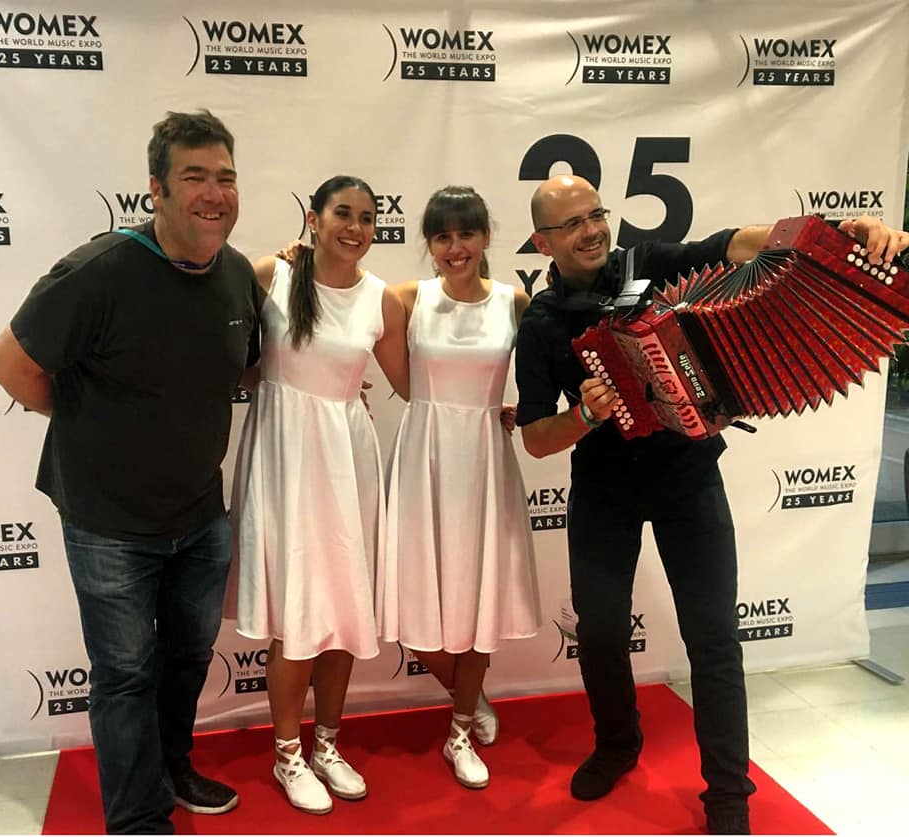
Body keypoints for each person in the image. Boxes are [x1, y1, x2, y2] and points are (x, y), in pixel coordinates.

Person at [513, 174, 909, 835]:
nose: (591, 231)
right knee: (601, 630)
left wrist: (838, 236)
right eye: (572, 223)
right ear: (542, 241)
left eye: (596, 214)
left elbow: (739, 244)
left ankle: (728, 793)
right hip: (604, 489)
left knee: (715, 637)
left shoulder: (646, 265)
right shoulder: (540, 322)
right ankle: (617, 743)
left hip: (687, 477)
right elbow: (534, 437)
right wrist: (585, 415)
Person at [0, 110, 260, 833]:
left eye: (226, 177)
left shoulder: (236, 274)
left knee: (188, 656)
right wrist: (89, 425)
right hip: (108, 522)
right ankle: (137, 819)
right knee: (125, 674)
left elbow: (245, 366)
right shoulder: (98, 271)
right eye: (194, 177)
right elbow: (10, 364)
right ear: (156, 190)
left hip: (200, 514)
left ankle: (171, 767)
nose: (214, 193)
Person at [228, 175, 408, 816]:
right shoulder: (268, 275)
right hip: (284, 458)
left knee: (341, 613)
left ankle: (327, 745)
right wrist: (266, 378)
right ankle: (287, 754)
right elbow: (226, 357)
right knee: (297, 617)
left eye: (367, 217)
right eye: (343, 213)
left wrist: (494, 406)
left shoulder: (381, 298)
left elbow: (416, 387)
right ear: (314, 217)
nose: (355, 228)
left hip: (347, 460)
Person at [379, 186, 541, 790]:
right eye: (442, 236)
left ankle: (460, 729)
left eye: (466, 234)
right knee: (411, 599)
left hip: (485, 462)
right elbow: (401, 380)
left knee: (479, 596)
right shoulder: (405, 297)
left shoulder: (514, 301)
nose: (455, 248)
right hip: (424, 455)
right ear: (429, 243)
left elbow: (548, 371)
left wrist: (519, 411)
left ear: (485, 237)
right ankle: (469, 695)